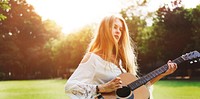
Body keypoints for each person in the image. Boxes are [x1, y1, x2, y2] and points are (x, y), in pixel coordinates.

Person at [64, 15, 177, 99]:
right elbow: (70, 87)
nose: (118, 32)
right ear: (104, 30)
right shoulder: (93, 58)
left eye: (121, 29)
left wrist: (162, 74)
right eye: (115, 27)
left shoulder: (121, 61)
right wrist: (102, 88)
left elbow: (137, 88)